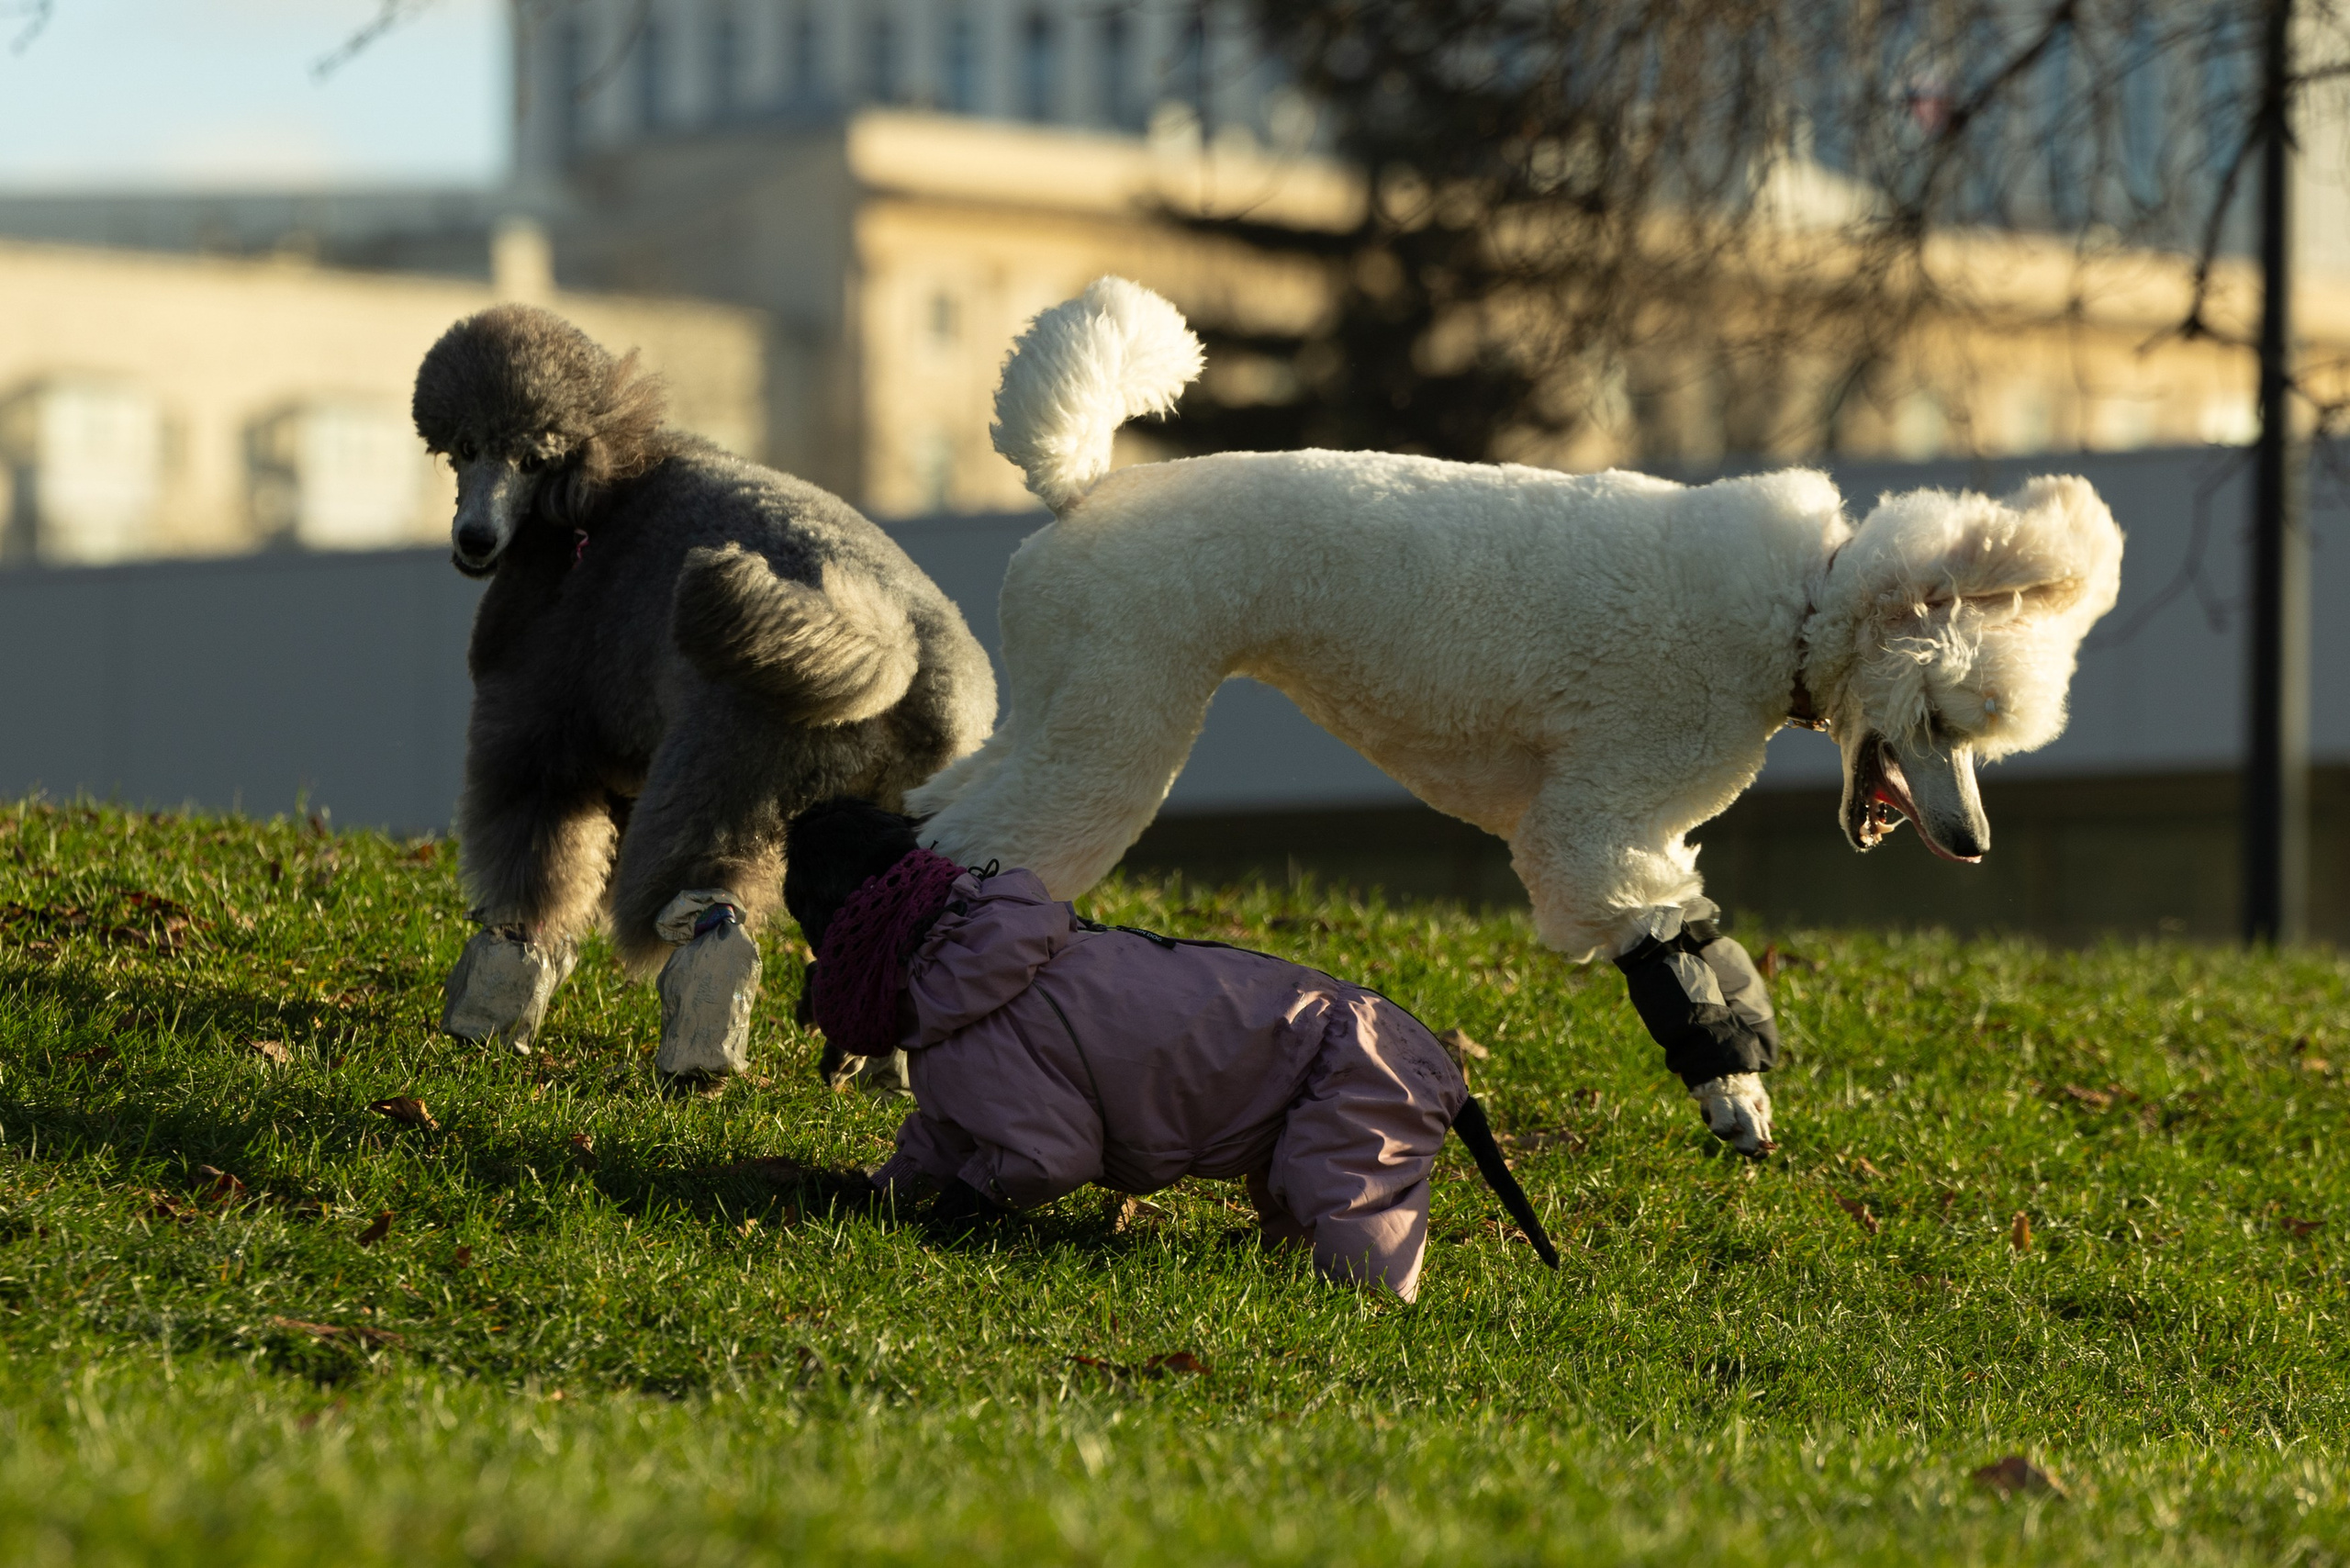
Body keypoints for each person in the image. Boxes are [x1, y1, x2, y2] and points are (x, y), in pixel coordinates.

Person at [783, 798, 1556, 1302]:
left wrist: (966, 1203)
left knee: (1350, 1212)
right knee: (1307, 1182)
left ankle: (1373, 1316)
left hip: (1358, 1059)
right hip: (1332, 1041)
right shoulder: (975, 968)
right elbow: (966, 1113)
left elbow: (1048, 1155)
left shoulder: (962, 1010)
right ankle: (1296, 1274)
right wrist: (894, 1186)